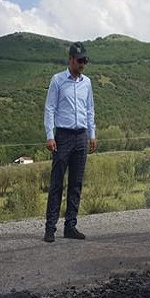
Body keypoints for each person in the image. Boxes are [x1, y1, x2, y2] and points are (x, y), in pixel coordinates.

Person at [42, 42, 97, 243]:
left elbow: (90, 109)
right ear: (71, 59)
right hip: (63, 136)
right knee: (57, 182)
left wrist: (92, 134)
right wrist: (49, 135)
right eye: (80, 60)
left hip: (82, 136)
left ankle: (70, 226)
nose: (83, 64)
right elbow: (49, 108)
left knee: (76, 183)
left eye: (85, 60)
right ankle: (50, 228)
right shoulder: (57, 81)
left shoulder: (87, 83)